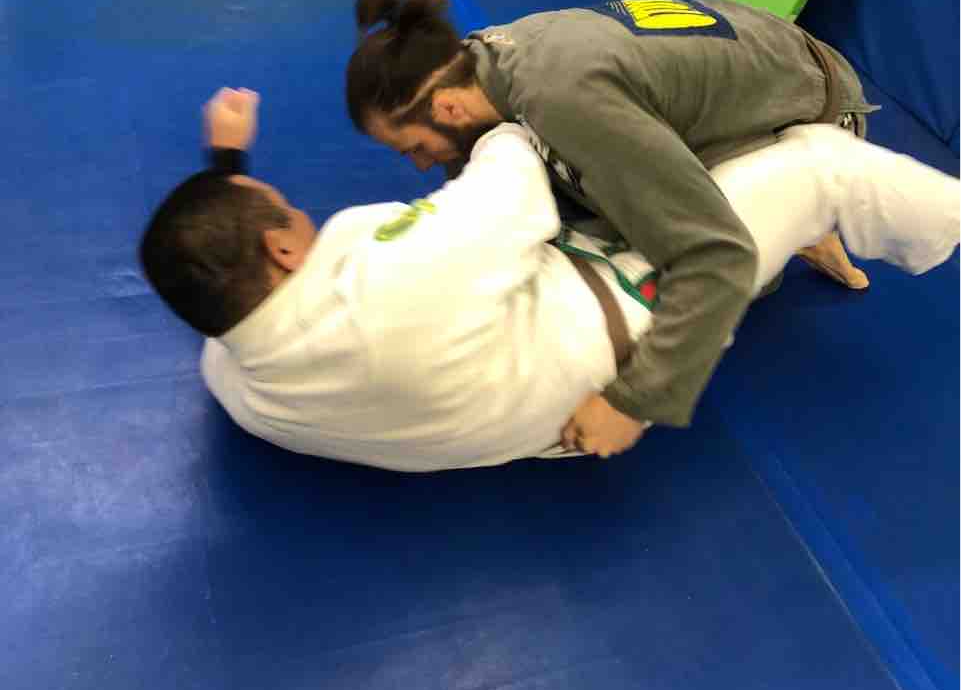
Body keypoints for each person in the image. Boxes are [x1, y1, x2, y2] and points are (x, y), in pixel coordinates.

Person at [138, 87, 959, 471]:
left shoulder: (236, 374)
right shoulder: (395, 286)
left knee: (683, 162)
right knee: (818, 165)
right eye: (287, 212)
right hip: (629, 317)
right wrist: (495, 112)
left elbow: (214, 263)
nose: (303, 215)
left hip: (530, 369)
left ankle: (798, 238)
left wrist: (228, 163)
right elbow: (516, 189)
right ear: (281, 252)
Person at [344, 0, 891, 454]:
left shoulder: (563, 98)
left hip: (820, 113)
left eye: (413, 148)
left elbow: (718, 257)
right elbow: (480, 166)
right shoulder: (478, 59)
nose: (420, 165)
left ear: (446, 108)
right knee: (573, 192)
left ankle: (806, 213)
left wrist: (632, 403)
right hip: (767, 53)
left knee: (652, 249)